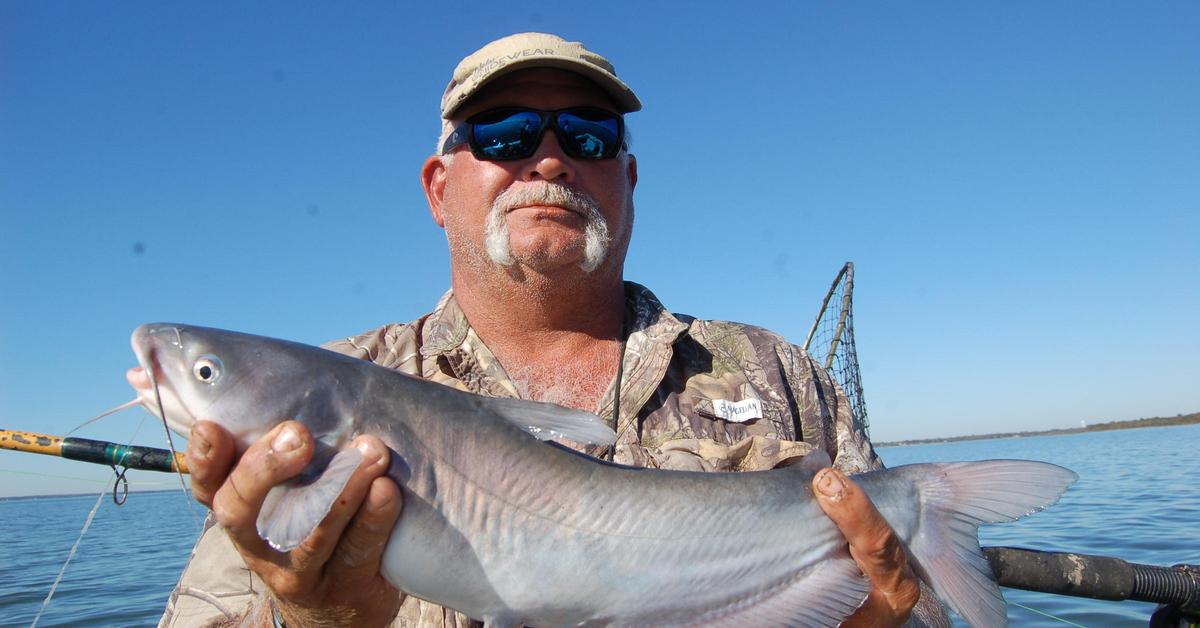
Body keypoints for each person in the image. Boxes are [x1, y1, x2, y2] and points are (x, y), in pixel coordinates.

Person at [160, 33, 944, 628]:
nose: (549, 161)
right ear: (439, 188)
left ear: (627, 180)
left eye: (588, 135)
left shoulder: (781, 374)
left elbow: (918, 598)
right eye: (503, 134)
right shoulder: (331, 393)